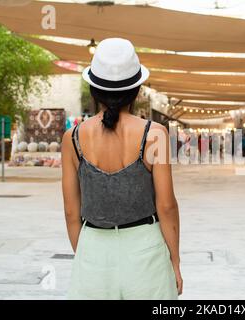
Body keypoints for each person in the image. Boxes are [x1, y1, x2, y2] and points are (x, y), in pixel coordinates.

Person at [61, 38, 182, 300]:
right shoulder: (154, 134)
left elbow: (72, 212)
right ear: (136, 90)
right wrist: (174, 260)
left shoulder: (72, 137)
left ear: (94, 89)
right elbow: (166, 206)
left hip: (93, 249)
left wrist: (87, 257)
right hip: (146, 252)